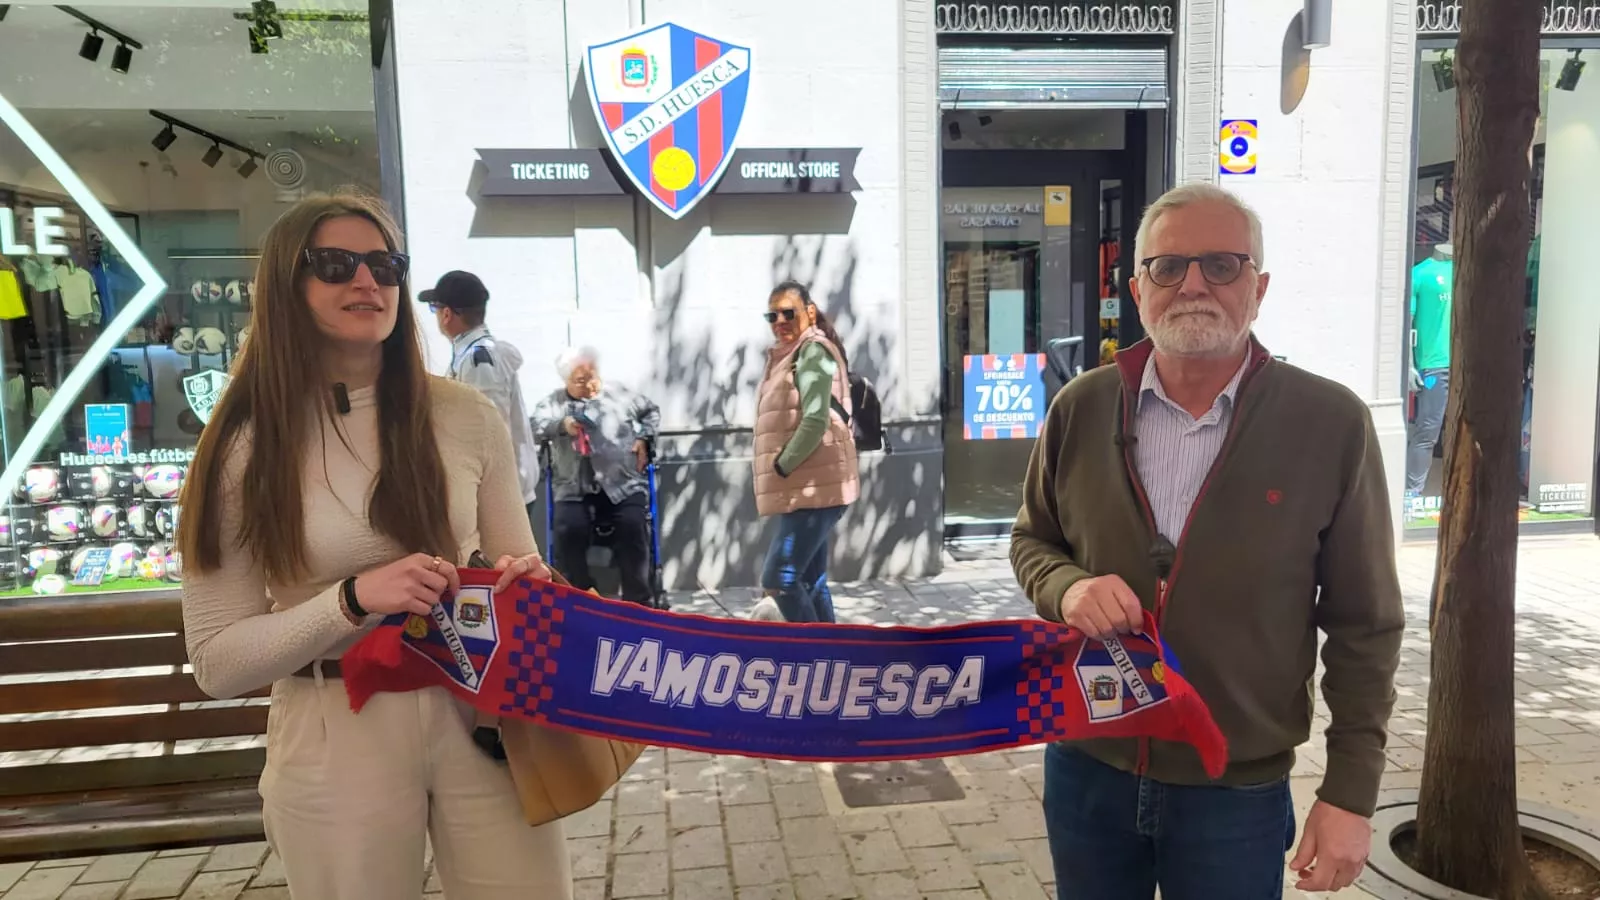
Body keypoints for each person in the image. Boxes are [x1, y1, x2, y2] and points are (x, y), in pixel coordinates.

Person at [1010, 184, 1404, 899]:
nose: (1193, 284)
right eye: (1168, 267)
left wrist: (1351, 792)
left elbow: (1366, 625)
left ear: (1259, 287)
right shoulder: (1081, 407)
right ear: (1137, 290)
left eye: (1222, 265)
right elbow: (1033, 542)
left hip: (1236, 790)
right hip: (1086, 767)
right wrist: (1067, 587)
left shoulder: (1331, 424)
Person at [176, 192, 572, 900]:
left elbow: (517, 566)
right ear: (285, 286)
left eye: (385, 265)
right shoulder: (242, 445)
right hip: (335, 728)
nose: (367, 281)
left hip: (480, 715)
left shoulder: (464, 416)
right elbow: (217, 662)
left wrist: (529, 580)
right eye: (336, 264)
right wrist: (350, 600)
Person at [753, 280, 859, 623]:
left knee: (779, 579)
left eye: (788, 312)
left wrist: (783, 465)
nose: (780, 321)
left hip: (812, 484)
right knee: (811, 581)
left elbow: (814, 420)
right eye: (772, 315)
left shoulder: (811, 351)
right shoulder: (791, 354)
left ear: (809, 312)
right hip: (808, 485)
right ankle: (834, 660)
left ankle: (814, 658)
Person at [530, 346, 660, 605]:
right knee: (568, 531)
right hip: (573, 488)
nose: (590, 385)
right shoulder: (554, 403)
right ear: (566, 381)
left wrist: (644, 438)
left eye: (593, 377)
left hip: (622, 484)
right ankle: (581, 598)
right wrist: (562, 425)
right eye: (581, 381)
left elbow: (651, 411)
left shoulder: (619, 394)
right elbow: (535, 425)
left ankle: (639, 603)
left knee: (633, 526)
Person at [423, 270, 540, 525]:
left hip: (498, 496)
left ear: (446, 314)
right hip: (496, 492)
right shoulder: (471, 354)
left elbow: (487, 431)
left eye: (435, 308)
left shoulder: (478, 360)